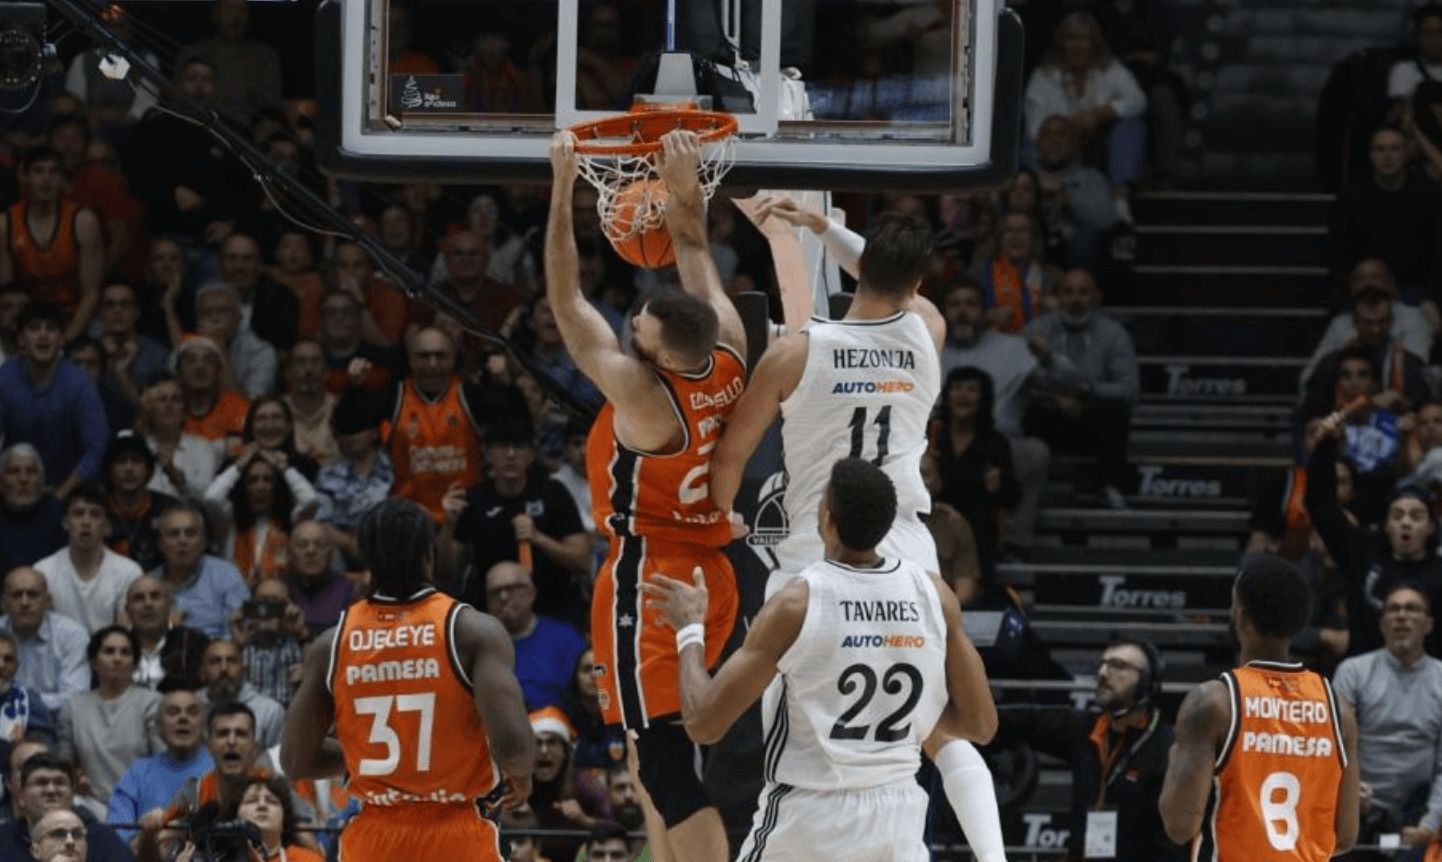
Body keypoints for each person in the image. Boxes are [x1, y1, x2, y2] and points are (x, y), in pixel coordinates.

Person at [711, 203, 1009, 859]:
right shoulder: (928, 330)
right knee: (935, 727)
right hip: (905, 543)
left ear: (864, 268)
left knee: (801, 724)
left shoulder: (793, 353)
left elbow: (731, 457)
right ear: (919, 281)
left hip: (816, 547)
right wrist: (825, 231)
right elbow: (892, 282)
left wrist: (723, 515)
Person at [546, 129, 746, 861]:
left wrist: (562, 186)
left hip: (652, 575)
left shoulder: (645, 397)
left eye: (641, 326)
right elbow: (691, 244)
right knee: (654, 747)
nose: (631, 323)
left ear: (659, 355)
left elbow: (566, 301)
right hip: (711, 570)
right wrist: (683, 179)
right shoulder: (728, 345)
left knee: (661, 762)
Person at [642, 458, 998, 861]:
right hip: (897, 819)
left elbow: (703, 724)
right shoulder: (933, 593)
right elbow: (981, 726)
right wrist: (906, 717)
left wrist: (690, 629)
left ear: (826, 519)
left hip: (810, 818)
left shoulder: (797, 604)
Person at [281, 498, 535, 861]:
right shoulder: (471, 631)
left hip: (373, 839)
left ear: (366, 560)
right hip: (457, 835)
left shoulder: (331, 644)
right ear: (428, 554)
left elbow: (296, 760)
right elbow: (513, 750)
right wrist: (520, 775)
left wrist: (371, 760)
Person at [1159, 555, 1360, 858]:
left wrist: (1176, 754)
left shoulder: (1214, 703)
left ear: (1241, 615)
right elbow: (1345, 836)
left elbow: (1179, 826)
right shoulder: (1339, 709)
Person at [993, 639, 1184, 861]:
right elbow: (1024, 720)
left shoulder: (1169, 747)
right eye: (1102, 664)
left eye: (1118, 665)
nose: (1102, 673)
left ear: (1147, 682)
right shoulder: (1086, 729)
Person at [440, 420, 591, 625]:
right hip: (491, 612)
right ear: (488, 454)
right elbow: (445, 571)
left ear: (531, 454)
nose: (510, 454)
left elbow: (582, 561)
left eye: (518, 447)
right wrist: (448, 524)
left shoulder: (553, 492)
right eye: (502, 447)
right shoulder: (474, 499)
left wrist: (538, 538)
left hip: (553, 607)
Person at [1332, 585, 1442, 853]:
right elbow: (1332, 747)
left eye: (1412, 609)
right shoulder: (1353, 672)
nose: (1401, 616)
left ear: (1428, 624)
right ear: (1382, 624)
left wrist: (1430, 824)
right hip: (1356, 807)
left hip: (1421, 811)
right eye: (1393, 609)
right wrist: (1348, 792)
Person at [1023, 268, 1139, 509]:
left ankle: (1109, 486)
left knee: (1116, 411)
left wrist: (1085, 392)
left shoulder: (1114, 334)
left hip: (1091, 417)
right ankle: (1031, 488)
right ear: (1057, 297)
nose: (1075, 299)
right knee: (1027, 408)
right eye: (1068, 292)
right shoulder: (1036, 330)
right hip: (1049, 414)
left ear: (1097, 297)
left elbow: (1128, 389)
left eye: (1083, 292)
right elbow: (1021, 380)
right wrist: (1056, 398)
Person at [0, 303, 109, 498]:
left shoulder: (80, 382)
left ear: (62, 340)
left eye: (51, 329)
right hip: (12, 490)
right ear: (21, 339)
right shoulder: (4, 379)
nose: (43, 335)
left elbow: (97, 449)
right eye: (34, 328)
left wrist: (60, 495)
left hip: (71, 491)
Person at [0, 148, 104, 339]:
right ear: (25, 177)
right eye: (38, 171)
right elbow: (8, 295)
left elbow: (91, 295)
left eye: (53, 172)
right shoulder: (6, 224)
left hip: (75, 316)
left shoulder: (83, 221)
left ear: (62, 179)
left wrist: (65, 341)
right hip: (26, 320)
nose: (46, 179)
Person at [55, 627, 160, 815]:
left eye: (125, 652)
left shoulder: (153, 703)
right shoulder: (73, 708)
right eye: (109, 651)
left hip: (143, 805)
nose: (117, 658)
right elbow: (63, 767)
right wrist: (75, 779)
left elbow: (165, 763)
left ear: (135, 663)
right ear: (93, 662)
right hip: (91, 804)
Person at [106, 685, 211, 845]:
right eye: (173, 712)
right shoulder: (137, 773)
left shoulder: (220, 769)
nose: (183, 718)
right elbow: (119, 832)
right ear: (158, 727)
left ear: (204, 726)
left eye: (192, 712)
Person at [34, 487, 141, 635]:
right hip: (60, 648)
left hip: (110, 648)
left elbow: (125, 631)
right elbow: (43, 627)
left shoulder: (129, 572)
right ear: (65, 523)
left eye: (95, 514)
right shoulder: (43, 571)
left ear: (107, 527)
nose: (86, 522)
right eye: (78, 514)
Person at [482, 562, 586, 711]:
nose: (503, 597)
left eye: (512, 588)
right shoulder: (478, 644)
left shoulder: (564, 639)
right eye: (495, 592)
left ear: (531, 593)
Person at [0, 752, 132, 862]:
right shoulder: (3, 840)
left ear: (73, 795)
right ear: (21, 797)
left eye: (60, 783)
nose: (51, 790)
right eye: (41, 783)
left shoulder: (102, 838)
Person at [149, 504, 249, 642]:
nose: (182, 541)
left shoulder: (227, 572)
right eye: (174, 534)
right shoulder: (148, 583)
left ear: (204, 541)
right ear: (160, 543)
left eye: (190, 533)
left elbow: (240, 630)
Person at [0, 569, 89, 712]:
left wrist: (18, 700)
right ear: (4, 604)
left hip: (53, 723)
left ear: (48, 602)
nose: (24, 602)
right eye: (16, 595)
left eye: (32, 595)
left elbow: (76, 698)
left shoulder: (72, 634)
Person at [122, 576, 208, 691]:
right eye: (139, 598)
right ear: (127, 610)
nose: (148, 603)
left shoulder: (194, 641)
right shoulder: (115, 646)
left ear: (169, 605)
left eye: (155, 596)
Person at [196, 640, 283, 749]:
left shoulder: (269, 711)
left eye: (231, 661)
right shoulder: (190, 708)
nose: (224, 668)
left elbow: (277, 757)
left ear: (243, 670)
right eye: (215, 661)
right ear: (202, 672)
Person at [218, 776, 324, 862]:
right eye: (251, 800)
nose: (262, 805)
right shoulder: (217, 858)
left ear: (284, 820)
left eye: (272, 801)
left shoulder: (307, 859)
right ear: (235, 816)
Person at [0, 447, 66, 573]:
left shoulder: (60, 515)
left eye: (31, 471)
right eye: (14, 471)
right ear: (1, 482)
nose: (23, 479)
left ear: (42, 480)